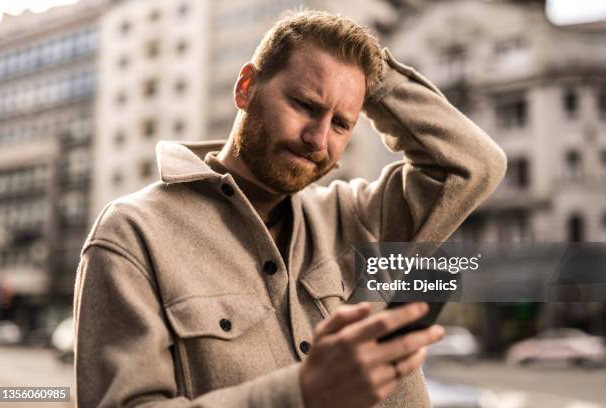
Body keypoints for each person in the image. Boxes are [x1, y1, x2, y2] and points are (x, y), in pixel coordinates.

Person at [74, 10, 506, 408]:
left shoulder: (357, 217)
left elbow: (472, 165)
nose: (318, 140)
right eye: (305, 105)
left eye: (341, 124)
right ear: (246, 88)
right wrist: (299, 393)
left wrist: (374, 77)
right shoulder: (132, 234)